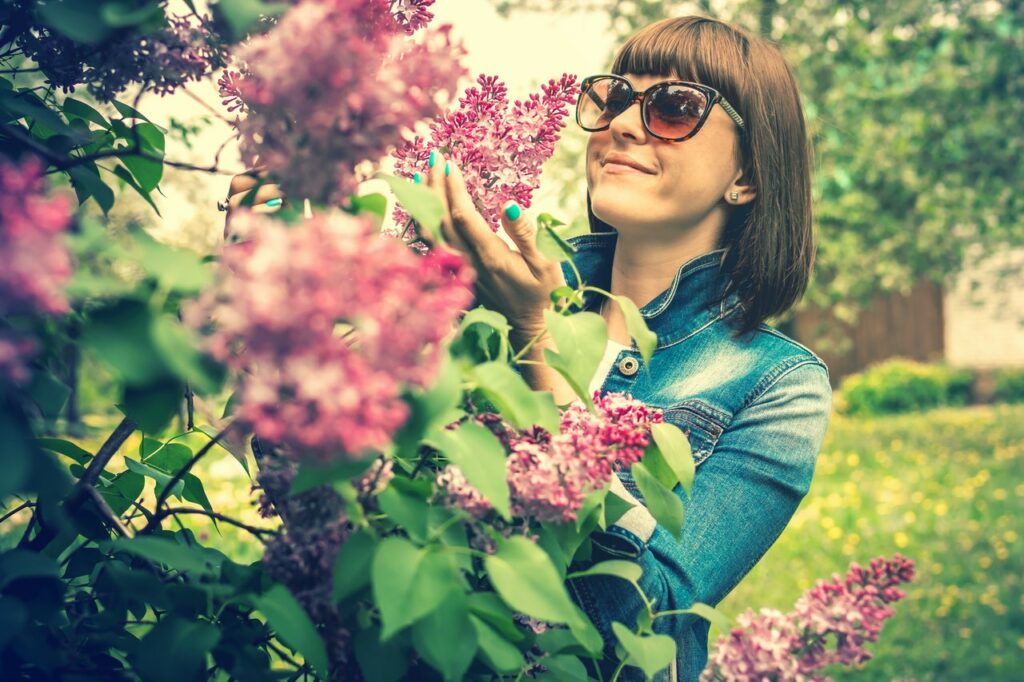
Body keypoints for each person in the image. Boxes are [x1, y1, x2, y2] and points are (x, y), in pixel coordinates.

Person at [224, 14, 832, 681]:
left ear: (746, 176)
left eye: (674, 107)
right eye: (616, 98)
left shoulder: (775, 384)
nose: (623, 124)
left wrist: (536, 339)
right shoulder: (482, 293)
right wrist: (269, 295)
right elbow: (323, 518)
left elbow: (637, 622)